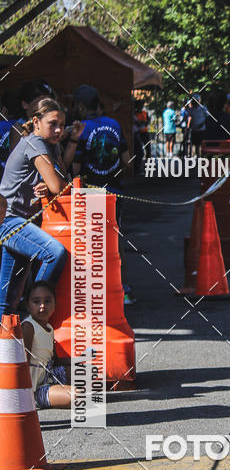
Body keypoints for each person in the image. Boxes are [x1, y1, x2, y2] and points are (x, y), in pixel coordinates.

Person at [0, 97, 83, 314]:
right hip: (10, 221)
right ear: (36, 121)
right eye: (52, 124)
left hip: (22, 221)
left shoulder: (49, 146)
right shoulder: (34, 142)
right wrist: (58, 186)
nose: (58, 130)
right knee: (54, 253)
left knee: (7, 301)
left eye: (62, 125)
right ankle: (34, 312)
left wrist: (47, 185)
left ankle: (11, 339)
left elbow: (56, 181)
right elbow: (59, 185)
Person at [69, 84, 135, 305]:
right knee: (116, 244)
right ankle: (123, 290)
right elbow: (127, 161)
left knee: (91, 245)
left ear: (79, 105)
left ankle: (94, 293)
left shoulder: (81, 129)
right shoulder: (114, 124)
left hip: (90, 194)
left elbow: (75, 169)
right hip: (115, 193)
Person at [22, 282, 72, 409]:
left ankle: (57, 392)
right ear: (28, 305)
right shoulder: (28, 327)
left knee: (89, 374)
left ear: (55, 305)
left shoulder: (49, 328)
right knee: (77, 397)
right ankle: (38, 400)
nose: (42, 306)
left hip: (49, 376)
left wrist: (79, 360)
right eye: (36, 301)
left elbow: (54, 360)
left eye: (48, 301)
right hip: (34, 389)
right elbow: (22, 363)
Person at [187, 93, 208, 157]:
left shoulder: (203, 108)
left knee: (201, 145)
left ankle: (202, 156)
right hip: (195, 130)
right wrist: (188, 127)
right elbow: (189, 118)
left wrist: (202, 124)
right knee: (195, 145)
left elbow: (207, 117)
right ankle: (197, 156)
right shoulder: (191, 109)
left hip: (202, 129)